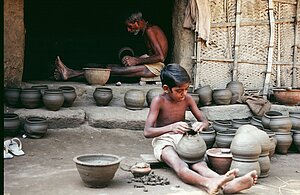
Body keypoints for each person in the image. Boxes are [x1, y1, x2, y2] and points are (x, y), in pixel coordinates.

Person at [143, 63, 258, 194]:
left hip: (184, 139)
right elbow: (147, 131)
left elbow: (205, 121)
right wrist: (171, 127)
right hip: (164, 141)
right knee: (180, 165)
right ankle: (208, 184)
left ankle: (229, 184)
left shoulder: (187, 99)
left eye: (186, 89)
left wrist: (201, 125)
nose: (183, 94)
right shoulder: (159, 101)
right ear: (166, 88)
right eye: (179, 91)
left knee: (200, 164)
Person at [53, 12, 168, 82]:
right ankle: (69, 74)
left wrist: (136, 60)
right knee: (110, 67)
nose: (128, 30)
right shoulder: (148, 30)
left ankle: (70, 73)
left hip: (156, 68)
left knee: (111, 71)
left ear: (137, 22)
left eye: (130, 26)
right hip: (151, 65)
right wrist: (131, 59)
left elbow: (160, 57)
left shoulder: (150, 30)